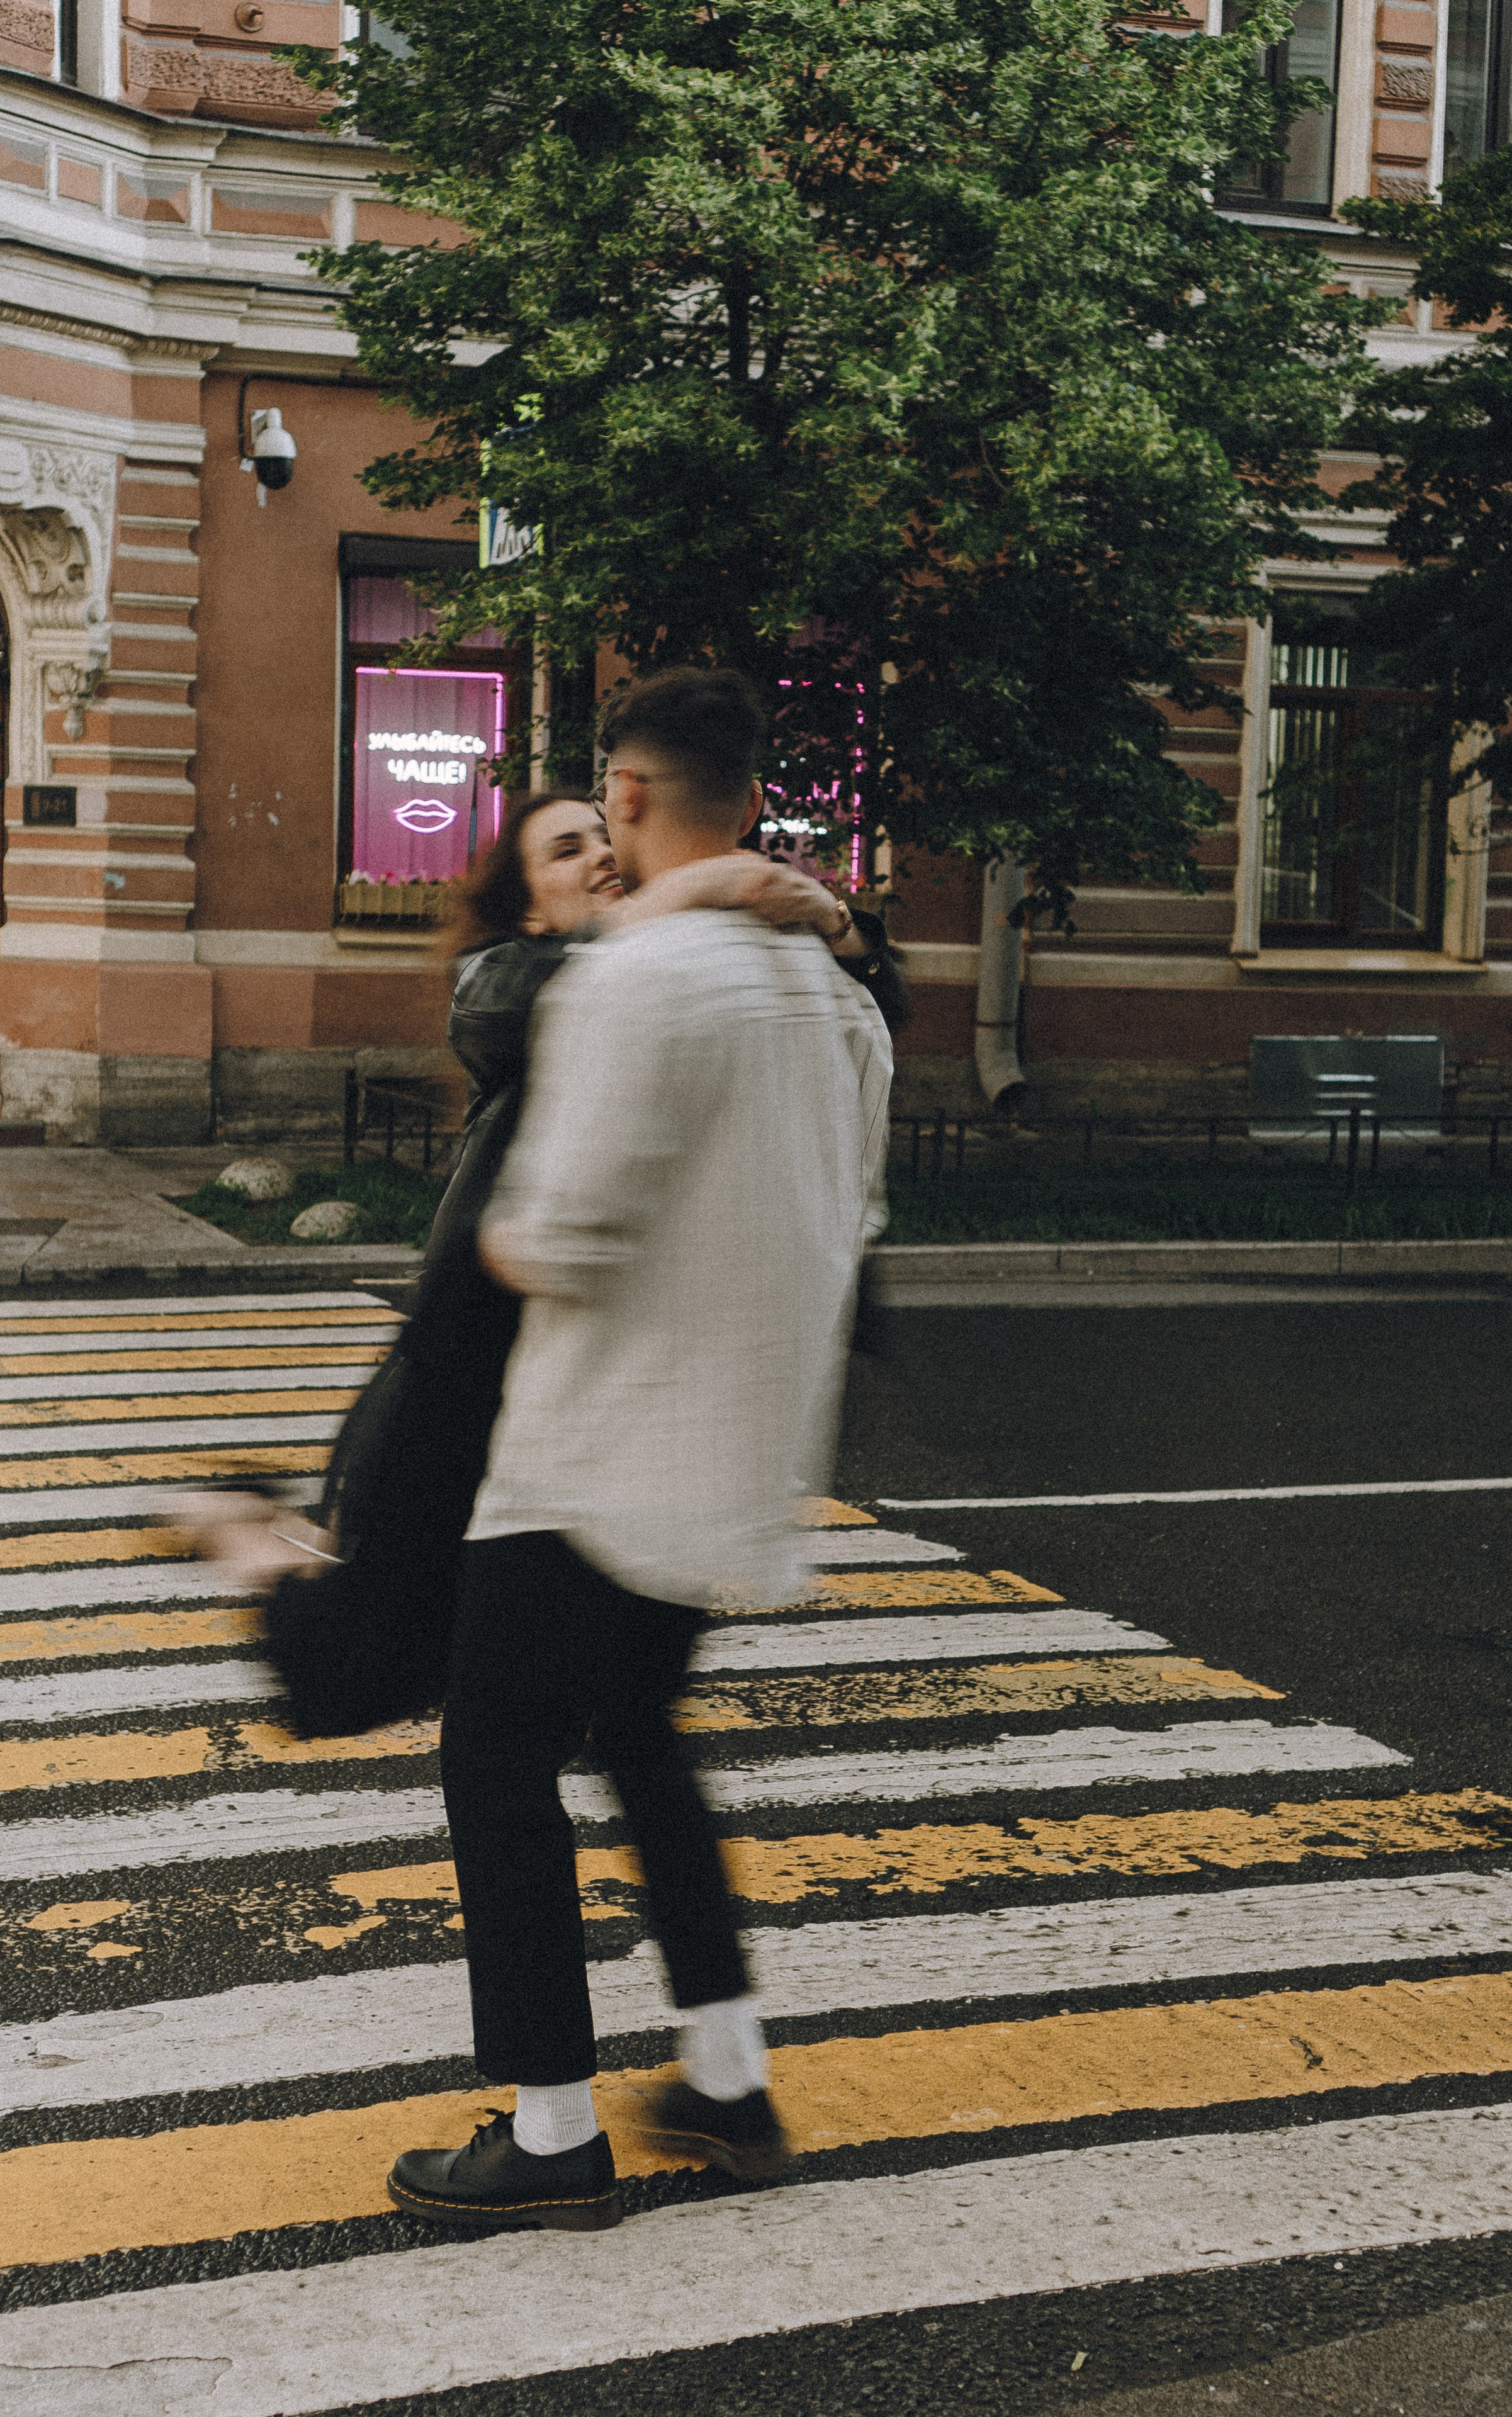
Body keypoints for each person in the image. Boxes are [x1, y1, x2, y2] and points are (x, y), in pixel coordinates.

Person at [385, 667, 892, 2238]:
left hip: (585, 1466)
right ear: (748, 796)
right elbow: (850, 1215)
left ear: (628, 796)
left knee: (491, 1762)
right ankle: (726, 2083)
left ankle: (548, 2131)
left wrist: (509, 1243)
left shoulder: (645, 982)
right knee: (643, 1744)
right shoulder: (838, 1003)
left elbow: (560, 1239)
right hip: (736, 1458)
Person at [183, 789, 905, 1729]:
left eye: (606, 838)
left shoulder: (665, 970)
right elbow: (500, 993)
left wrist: (834, 919)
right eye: (566, 851)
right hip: (466, 1369)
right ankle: (242, 1533)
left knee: (608, 1710)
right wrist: (688, 894)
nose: (600, 856)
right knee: (355, 1669)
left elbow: (862, 1011)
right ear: (528, 906)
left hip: (593, 1396)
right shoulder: (514, 982)